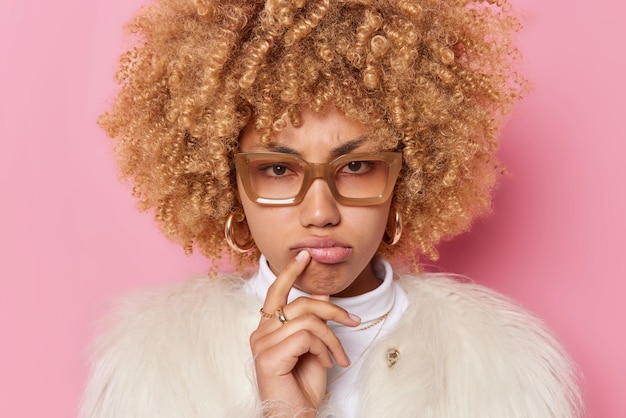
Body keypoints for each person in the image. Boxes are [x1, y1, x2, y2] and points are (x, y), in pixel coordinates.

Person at [81, 0, 583, 416]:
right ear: (229, 184)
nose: (320, 212)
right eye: (278, 170)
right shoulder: (151, 365)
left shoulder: (503, 366)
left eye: (357, 167)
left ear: (403, 181)